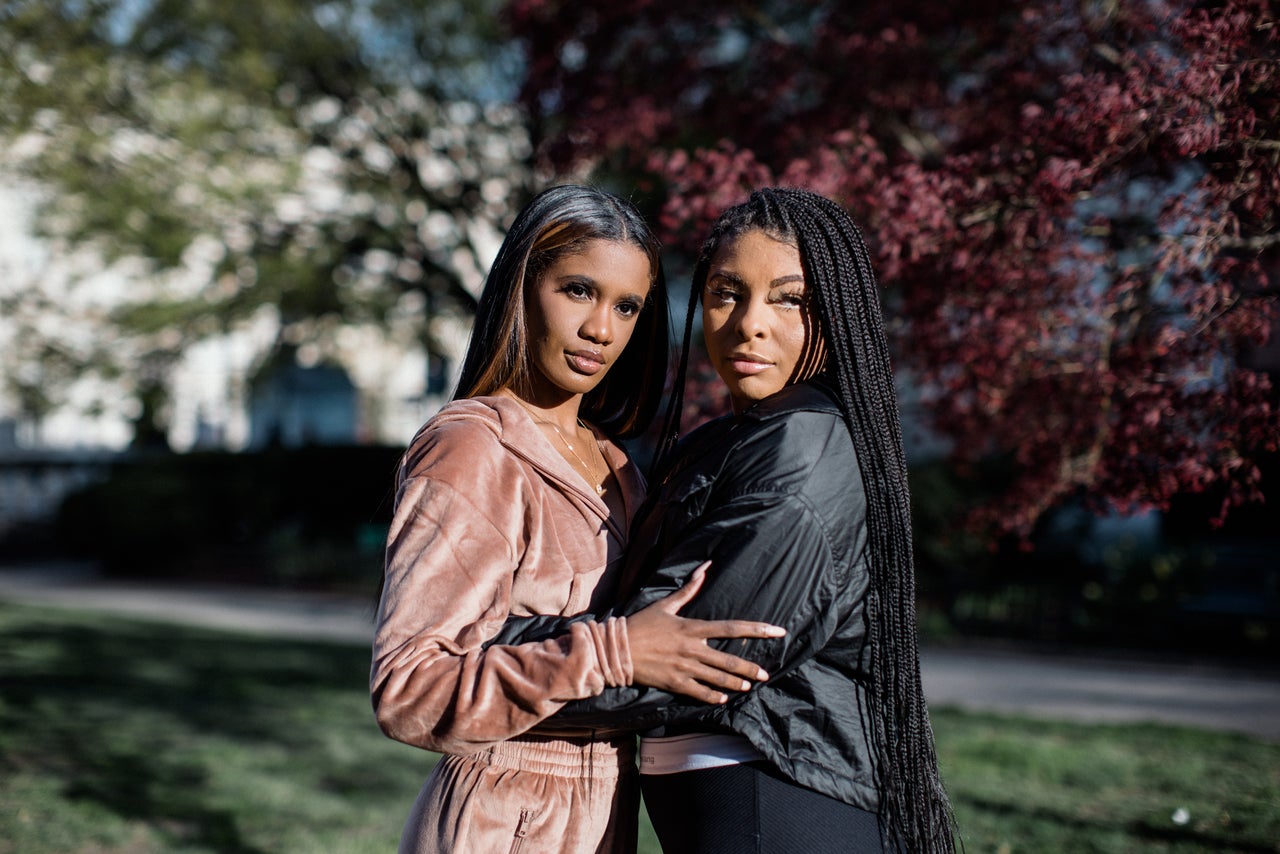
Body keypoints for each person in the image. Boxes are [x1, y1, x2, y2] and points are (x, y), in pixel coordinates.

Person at [490, 187, 958, 852]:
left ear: (836, 311)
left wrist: (477, 657)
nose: (749, 324)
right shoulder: (731, 442)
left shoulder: (804, 450)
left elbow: (691, 651)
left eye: (790, 298)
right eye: (727, 291)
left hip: (780, 811)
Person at [370, 184, 784, 854]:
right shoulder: (474, 446)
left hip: (604, 814)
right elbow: (409, 689)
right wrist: (612, 652)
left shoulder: (620, 467)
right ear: (524, 288)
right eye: (578, 291)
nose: (602, 330)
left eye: (627, 307)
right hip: (502, 816)